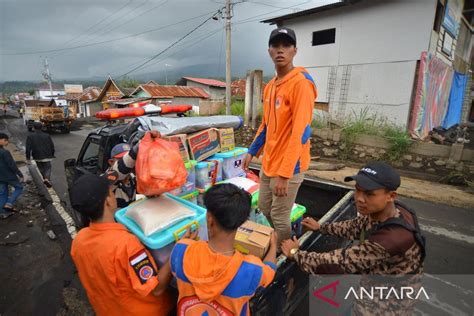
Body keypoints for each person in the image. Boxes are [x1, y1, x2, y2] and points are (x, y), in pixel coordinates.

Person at [243, 27, 317, 247]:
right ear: (269, 51)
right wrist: (252, 150)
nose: (280, 50)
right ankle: (283, 238)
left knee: (279, 216)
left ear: (295, 50)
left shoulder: (301, 83)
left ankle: (289, 252)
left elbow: (301, 133)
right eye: (276, 45)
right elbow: (266, 125)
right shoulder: (270, 87)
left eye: (286, 45)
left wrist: (285, 175)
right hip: (270, 160)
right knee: (265, 207)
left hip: (290, 165)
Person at [281, 162, 425, 275]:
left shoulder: (391, 239)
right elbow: (357, 225)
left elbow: (338, 264)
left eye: (369, 194)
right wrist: (321, 227)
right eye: (357, 190)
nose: (359, 199)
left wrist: (295, 253)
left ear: (391, 196)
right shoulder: (387, 210)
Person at [69, 173, 176, 316]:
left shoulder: (79, 240)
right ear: (108, 202)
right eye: (111, 192)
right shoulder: (126, 244)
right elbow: (156, 289)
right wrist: (177, 249)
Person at [170, 183, 278, 315]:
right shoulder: (252, 269)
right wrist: (273, 246)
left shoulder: (181, 250)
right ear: (242, 222)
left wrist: (186, 243)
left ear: (209, 219)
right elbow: (270, 270)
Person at [0, 133, 24, 218]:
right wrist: (20, 174)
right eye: (5, 140)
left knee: (2, 193)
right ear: (1, 140)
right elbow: (11, 165)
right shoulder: (4, 152)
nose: (7, 142)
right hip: (8, 175)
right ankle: (9, 203)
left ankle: (3, 213)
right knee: (19, 187)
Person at [26, 122, 55, 188]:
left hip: (37, 155)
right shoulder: (47, 135)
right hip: (47, 154)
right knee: (48, 168)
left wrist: (28, 158)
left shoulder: (30, 136)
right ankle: (47, 179)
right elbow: (51, 146)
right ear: (41, 127)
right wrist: (52, 153)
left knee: (41, 168)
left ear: (33, 127)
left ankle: (45, 179)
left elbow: (28, 148)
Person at [107, 143, 136, 208]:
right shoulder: (107, 180)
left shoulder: (133, 177)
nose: (130, 163)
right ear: (111, 162)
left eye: (132, 160)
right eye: (122, 159)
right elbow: (117, 172)